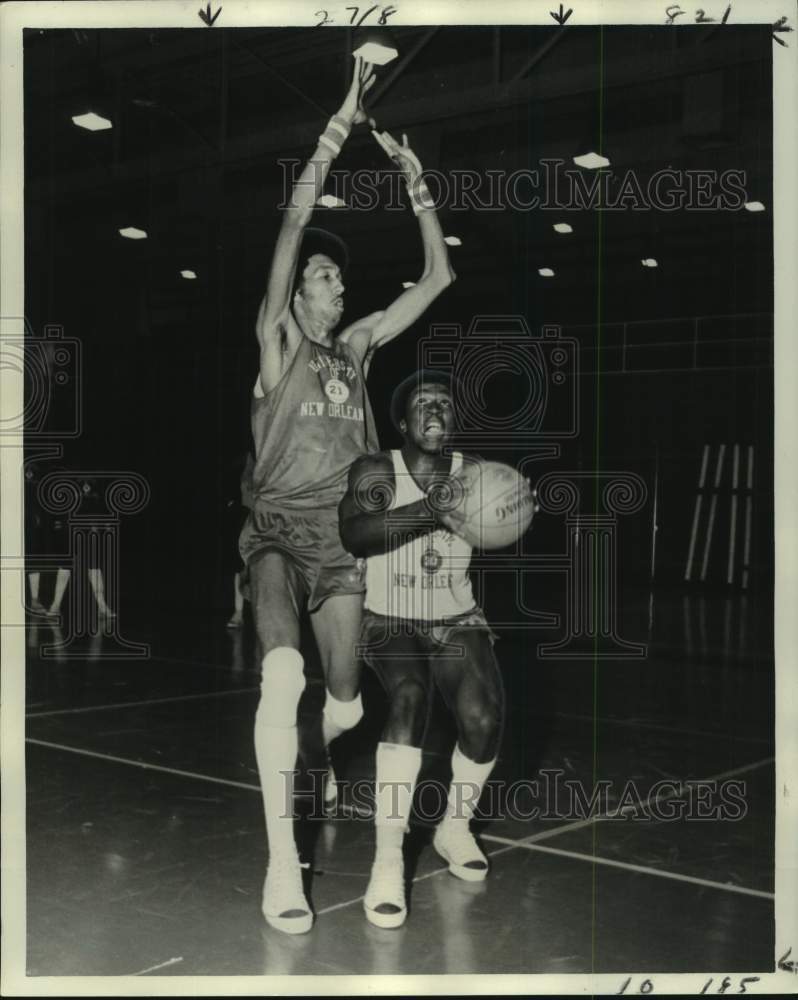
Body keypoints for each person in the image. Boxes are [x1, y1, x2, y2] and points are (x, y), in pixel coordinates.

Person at [238, 56, 456, 934]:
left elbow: (437, 280)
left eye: (336, 280)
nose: (336, 284)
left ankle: (318, 757)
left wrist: (417, 184)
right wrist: (338, 123)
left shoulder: (357, 352)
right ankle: (282, 867)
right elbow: (293, 224)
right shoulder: (278, 342)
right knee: (280, 673)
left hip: (344, 544)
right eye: (323, 279)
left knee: (345, 704)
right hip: (277, 539)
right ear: (296, 298)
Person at [338, 370, 505, 929]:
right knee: (409, 697)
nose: (435, 411)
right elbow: (355, 535)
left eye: (444, 404)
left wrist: (511, 508)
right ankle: (388, 858)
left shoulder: (477, 473)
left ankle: (454, 827)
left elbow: (505, 521)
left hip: (456, 616)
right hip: (389, 617)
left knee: (484, 718)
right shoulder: (376, 468)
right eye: (422, 403)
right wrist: (434, 508)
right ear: (403, 420)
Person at [225, 453, 255, 629]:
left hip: (271, 515)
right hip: (245, 515)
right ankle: (238, 612)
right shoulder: (244, 459)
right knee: (240, 565)